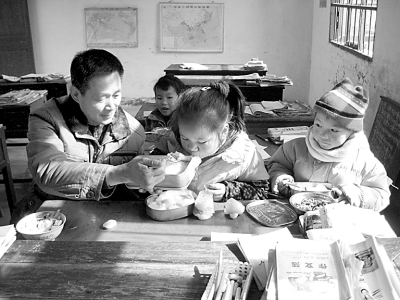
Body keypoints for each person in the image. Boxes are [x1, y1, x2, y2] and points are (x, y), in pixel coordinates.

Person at [10, 49, 166, 223]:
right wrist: (118, 172)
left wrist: (146, 185)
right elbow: (48, 171)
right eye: (101, 99)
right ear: (76, 94)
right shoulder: (46, 119)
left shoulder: (133, 130)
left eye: (116, 95)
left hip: (104, 217)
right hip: (50, 215)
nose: (111, 106)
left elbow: (128, 187)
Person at [267, 78, 391, 212]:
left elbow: (381, 194)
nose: (322, 134)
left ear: (352, 132)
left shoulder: (364, 161)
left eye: (334, 130)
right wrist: (281, 178)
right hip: (295, 215)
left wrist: (356, 195)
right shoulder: (294, 148)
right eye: (318, 125)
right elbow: (277, 165)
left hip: (339, 223)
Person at [151, 81, 270, 201]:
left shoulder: (243, 154)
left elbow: (261, 191)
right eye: (185, 138)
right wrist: (154, 181)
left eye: (201, 142)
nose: (191, 147)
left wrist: (228, 190)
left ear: (223, 132)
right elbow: (150, 167)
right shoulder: (171, 141)